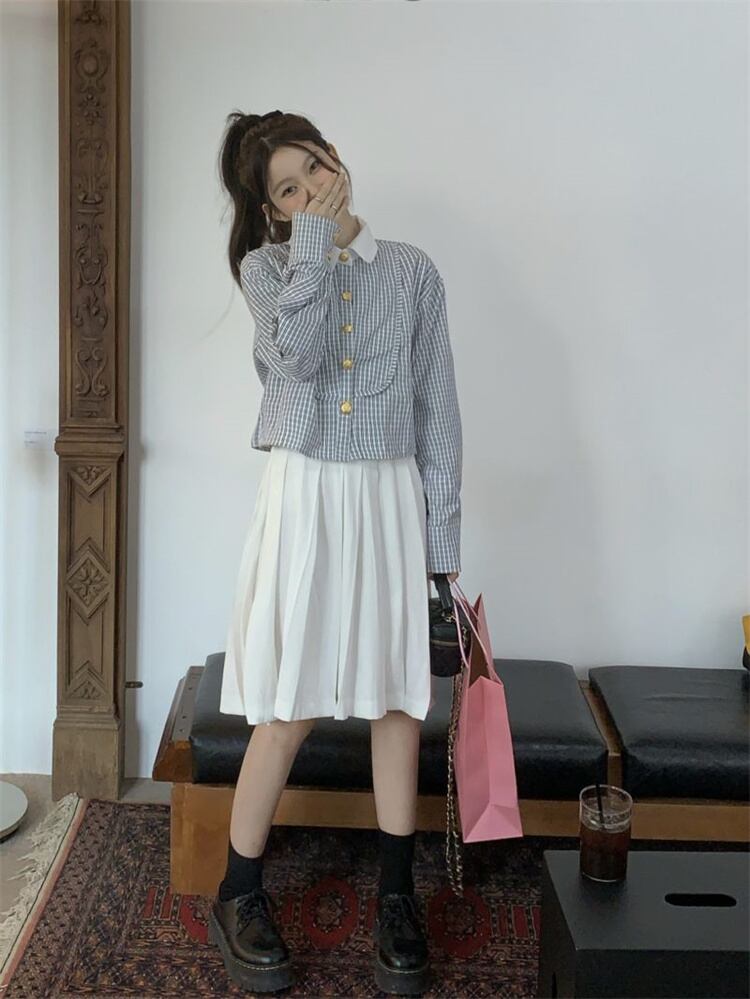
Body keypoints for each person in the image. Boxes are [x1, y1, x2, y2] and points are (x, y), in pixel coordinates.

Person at [209, 108, 462, 995]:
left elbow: (439, 416)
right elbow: (297, 361)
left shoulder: (414, 271)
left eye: (312, 168)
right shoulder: (268, 269)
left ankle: (397, 894)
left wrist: (441, 549)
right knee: (289, 699)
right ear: (271, 211)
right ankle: (238, 890)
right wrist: (313, 246)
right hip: (306, 492)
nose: (310, 189)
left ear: (335, 157)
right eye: (288, 190)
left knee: (397, 699)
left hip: (389, 493)